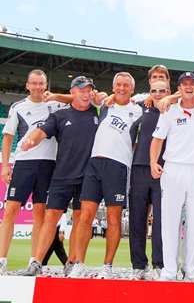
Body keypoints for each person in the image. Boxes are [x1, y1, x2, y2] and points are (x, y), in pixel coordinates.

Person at [19, 75, 100, 277]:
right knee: (50, 217)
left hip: (88, 177)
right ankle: (36, 262)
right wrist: (31, 140)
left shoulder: (100, 112)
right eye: (81, 89)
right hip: (61, 175)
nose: (85, 93)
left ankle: (73, 262)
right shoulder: (60, 116)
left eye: (88, 89)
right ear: (72, 92)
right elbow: (41, 131)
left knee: (82, 220)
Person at [69, 72, 142, 279]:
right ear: (113, 87)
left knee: (113, 219)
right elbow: (75, 96)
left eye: (126, 85)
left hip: (118, 165)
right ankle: (78, 263)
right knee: (85, 216)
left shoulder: (138, 109)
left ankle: (107, 266)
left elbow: (155, 98)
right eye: (118, 84)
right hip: (95, 163)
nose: (121, 88)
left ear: (132, 89)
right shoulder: (104, 104)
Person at [151, 72, 194, 282]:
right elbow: (157, 139)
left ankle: (192, 271)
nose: (188, 87)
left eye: (192, 84)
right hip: (173, 169)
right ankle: (169, 270)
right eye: (184, 84)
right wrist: (153, 162)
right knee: (170, 222)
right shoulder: (170, 110)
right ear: (179, 88)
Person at [0, 69, 63, 275]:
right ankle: (1, 260)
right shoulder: (18, 107)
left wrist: (56, 96)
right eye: (34, 83)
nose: (38, 87)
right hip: (24, 163)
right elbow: (8, 137)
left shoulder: (54, 104)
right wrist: (5, 164)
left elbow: (79, 97)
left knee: (39, 214)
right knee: (10, 211)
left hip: (48, 164)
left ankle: (34, 262)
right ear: (27, 85)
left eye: (41, 83)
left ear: (46, 85)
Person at [128, 79, 171, 280]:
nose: (158, 93)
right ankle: (138, 265)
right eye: (154, 90)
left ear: (169, 92)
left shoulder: (175, 110)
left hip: (164, 170)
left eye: (163, 90)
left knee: (162, 221)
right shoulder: (139, 108)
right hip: (139, 169)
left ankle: (159, 265)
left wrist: (173, 97)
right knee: (137, 219)